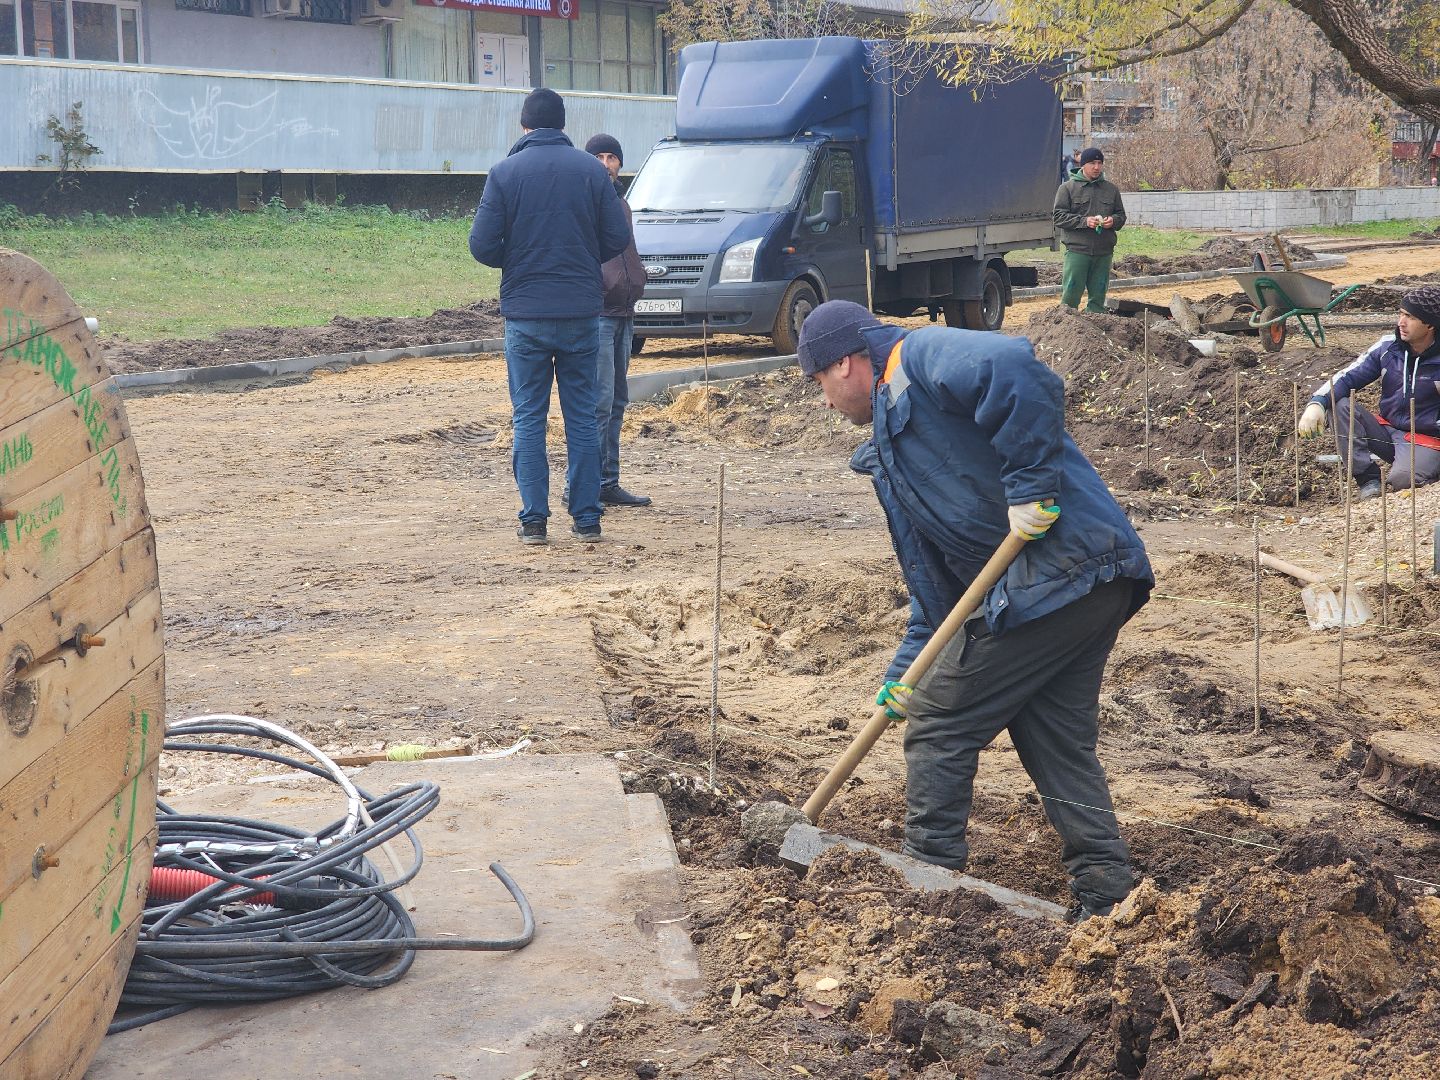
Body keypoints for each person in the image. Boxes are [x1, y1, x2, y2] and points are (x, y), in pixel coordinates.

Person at [794, 299, 1153, 920]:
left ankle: (929, 882)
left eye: (819, 381)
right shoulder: (890, 455)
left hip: (1064, 571)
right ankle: (1107, 891)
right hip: (1080, 586)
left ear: (848, 363)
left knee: (938, 722)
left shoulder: (918, 358)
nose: (824, 400)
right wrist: (901, 676)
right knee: (1054, 740)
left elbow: (1017, 369)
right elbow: (938, 595)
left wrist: (1032, 488)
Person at [470, 88, 631, 545]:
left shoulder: (503, 173)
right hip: (582, 312)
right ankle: (586, 519)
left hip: (525, 315)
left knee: (528, 418)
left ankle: (534, 521)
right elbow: (616, 235)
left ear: (524, 127)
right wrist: (583, 261)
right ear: (563, 126)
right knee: (581, 417)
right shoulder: (591, 171)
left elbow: (481, 244)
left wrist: (518, 261)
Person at [1297, 285, 1440, 498]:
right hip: (1388, 431)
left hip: (1426, 439)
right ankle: (1368, 478)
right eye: (1401, 313)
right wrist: (1317, 403)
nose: (1401, 322)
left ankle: (1427, 468)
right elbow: (1347, 377)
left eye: (1409, 317)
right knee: (1339, 403)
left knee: (1403, 481)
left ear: (1429, 324)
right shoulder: (1388, 348)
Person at [584, 133, 651, 508]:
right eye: (599, 156)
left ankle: (608, 481)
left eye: (612, 157)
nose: (606, 163)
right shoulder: (585, 204)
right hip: (598, 315)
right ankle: (582, 485)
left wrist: (637, 278)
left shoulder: (622, 205)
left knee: (618, 400)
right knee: (599, 400)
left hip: (625, 312)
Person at [1053, 148, 1126, 314]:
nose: (1096, 167)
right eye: (1092, 163)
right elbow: (1058, 217)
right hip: (1078, 251)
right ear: (1082, 164)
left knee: (1098, 295)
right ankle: (1067, 327)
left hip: (1103, 252)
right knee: (1071, 293)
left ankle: (1095, 328)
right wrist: (1085, 221)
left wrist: (1112, 221)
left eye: (1100, 163)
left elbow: (1121, 216)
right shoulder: (1067, 189)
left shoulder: (1111, 189)